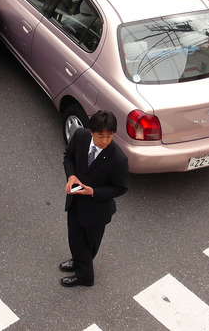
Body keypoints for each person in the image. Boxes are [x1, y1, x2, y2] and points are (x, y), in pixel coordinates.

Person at [60, 110, 129, 287]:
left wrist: (93, 192)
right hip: (75, 200)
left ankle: (85, 277)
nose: (105, 141)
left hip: (97, 209)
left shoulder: (118, 159)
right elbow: (68, 157)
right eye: (100, 135)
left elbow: (120, 188)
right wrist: (71, 176)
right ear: (91, 131)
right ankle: (78, 261)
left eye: (109, 136)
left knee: (89, 244)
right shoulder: (80, 136)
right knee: (74, 237)